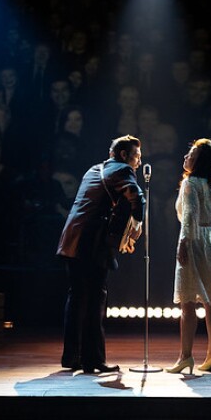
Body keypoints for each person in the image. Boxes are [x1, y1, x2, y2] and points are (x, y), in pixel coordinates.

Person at [55, 135, 145, 374]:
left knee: (77, 299)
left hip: (72, 239)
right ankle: (94, 360)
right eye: (136, 156)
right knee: (96, 299)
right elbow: (137, 198)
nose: (138, 161)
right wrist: (138, 224)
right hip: (89, 244)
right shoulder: (122, 169)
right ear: (124, 155)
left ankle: (73, 357)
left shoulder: (95, 169)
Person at [166, 138, 211, 375]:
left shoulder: (190, 183)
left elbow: (190, 216)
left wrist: (183, 244)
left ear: (199, 160)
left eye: (191, 154)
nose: (186, 157)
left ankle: (185, 356)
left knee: (188, 303)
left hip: (193, 240)